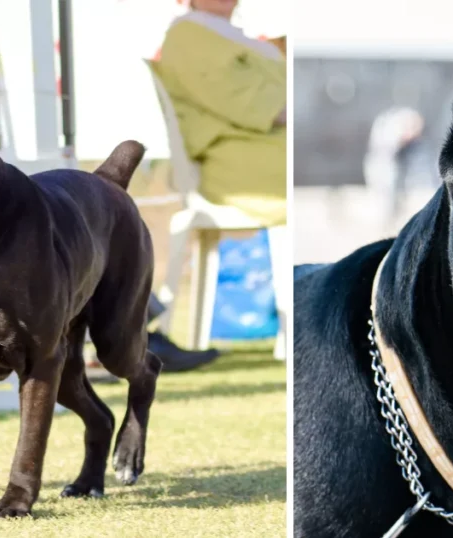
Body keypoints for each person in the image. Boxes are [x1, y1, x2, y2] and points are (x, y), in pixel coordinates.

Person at [149, 0, 289, 364]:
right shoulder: (189, 32)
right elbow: (239, 99)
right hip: (234, 156)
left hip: (264, 145)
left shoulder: (234, 35)